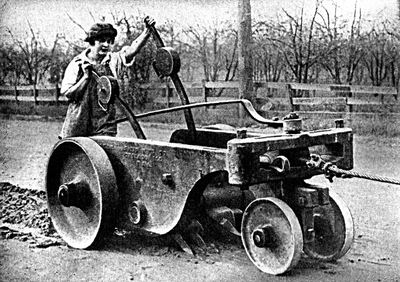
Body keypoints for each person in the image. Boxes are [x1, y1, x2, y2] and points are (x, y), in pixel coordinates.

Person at [59, 17, 155, 139]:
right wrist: (85, 78)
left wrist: (147, 31)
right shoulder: (77, 64)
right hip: (78, 124)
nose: (106, 45)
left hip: (104, 125)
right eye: (102, 41)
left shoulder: (112, 60)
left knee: (107, 155)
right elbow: (69, 94)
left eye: (109, 41)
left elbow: (131, 50)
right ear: (92, 41)